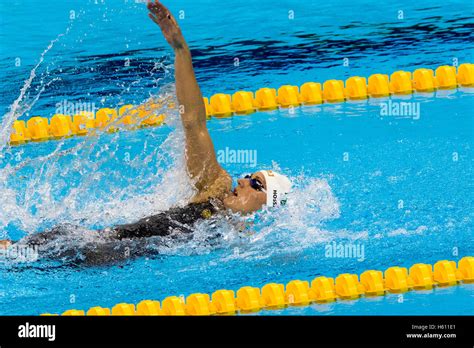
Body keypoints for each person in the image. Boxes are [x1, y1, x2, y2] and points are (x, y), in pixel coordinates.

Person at [0, 1, 292, 262]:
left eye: (256, 184)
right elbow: (193, 122)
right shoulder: (214, 188)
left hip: (112, 261)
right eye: (250, 176)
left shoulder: (246, 240)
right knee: (53, 240)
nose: (243, 180)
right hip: (102, 246)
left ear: (267, 207)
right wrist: (180, 49)